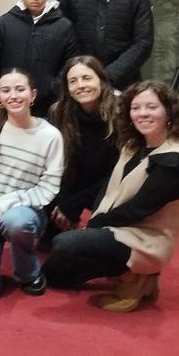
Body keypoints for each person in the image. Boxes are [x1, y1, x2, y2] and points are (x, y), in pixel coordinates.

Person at [43, 81, 179, 312]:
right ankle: (126, 269)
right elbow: (108, 188)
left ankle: (137, 276)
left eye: (151, 107)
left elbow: (138, 209)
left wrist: (93, 228)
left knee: (65, 243)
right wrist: (94, 226)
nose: (143, 113)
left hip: (146, 239)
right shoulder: (133, 145)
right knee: (53, 273)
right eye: (136, 107)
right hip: (115, 229)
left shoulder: (174, 160)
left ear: (169, 112)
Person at [0, 69, 64, 297]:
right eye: (6, 90)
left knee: (17, 221)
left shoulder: (50, 135)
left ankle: (28, 273)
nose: (13, 96)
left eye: (20, 89)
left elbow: (49, 187)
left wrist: (3, 205)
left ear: (33, 95)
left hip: (23, 213)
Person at [0, 0, 79, 117]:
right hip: (8, 104)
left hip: (48, 107)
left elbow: (70, 65)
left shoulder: (64, 27)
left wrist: (53, 88)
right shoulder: (4, 23)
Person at [44, 56, 120, 245]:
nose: (81, 85)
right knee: (51, 241)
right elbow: (56, 164)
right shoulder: (58, 112)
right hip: (71, 183)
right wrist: (63, 203)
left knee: (99, 244)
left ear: (101, 81)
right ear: (67, 88)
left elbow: (117, 174)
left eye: (87, 78)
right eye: (73, 81)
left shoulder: (121, 114)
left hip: (110, 187)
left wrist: (74, 204)